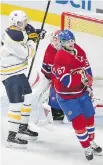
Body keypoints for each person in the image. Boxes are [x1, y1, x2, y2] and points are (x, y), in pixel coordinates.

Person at [53, 29, 102, 160]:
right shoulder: (60, 57)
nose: (71, 43)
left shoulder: (79, 50)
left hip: (81, 92)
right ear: (62, 43)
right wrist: (82, 80)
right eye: (67, 41)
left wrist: (89, 85)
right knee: (79, 121)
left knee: (90, 117)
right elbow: (67, 81)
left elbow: (87, 68)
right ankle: (86, 147)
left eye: (72, 40)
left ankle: (91, 142)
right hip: (66, 96)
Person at [0, 10, 46, 148]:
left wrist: (34, 34)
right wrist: (33, 39)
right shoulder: (14, 37)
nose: (26, 23)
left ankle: (22, 128)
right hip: (11, 73)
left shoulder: (15, 31)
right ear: (18, 23)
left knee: (28, 97)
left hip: (17, 71)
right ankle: (11, 137)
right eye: (24, 22)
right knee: (16, 104)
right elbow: (27, 53)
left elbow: (23, 37)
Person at [41, 29, 64, 121]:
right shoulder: (51, 50)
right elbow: (50, 70)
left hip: (58, 75)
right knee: (54, 88)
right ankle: (56, 109)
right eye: (54, 39)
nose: (56, 42)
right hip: (49, 76)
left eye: (58, 40)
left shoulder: (68, 49)